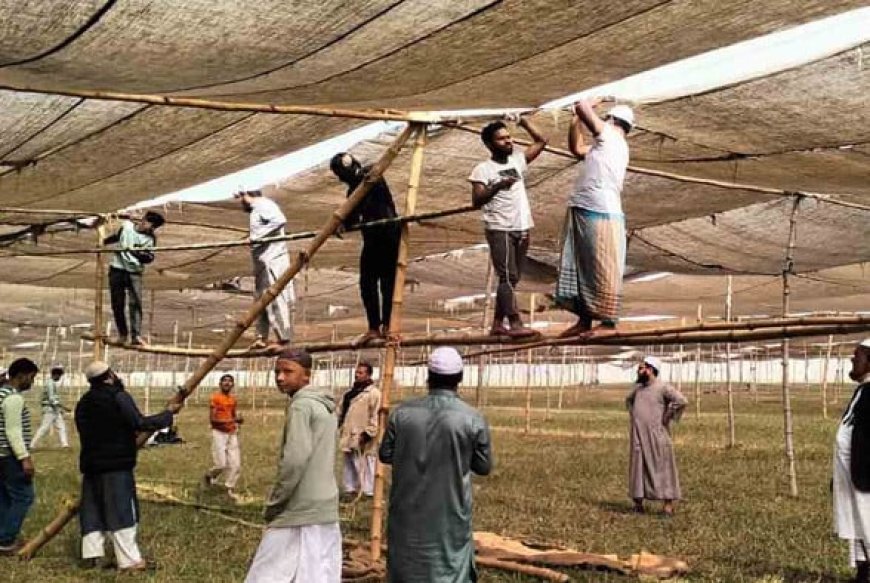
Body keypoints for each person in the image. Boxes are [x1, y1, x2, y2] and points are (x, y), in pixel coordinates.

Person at [380, 346, 492, 581]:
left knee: (406, 559)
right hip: (450, 510)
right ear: (460, 378)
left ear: (428, 377)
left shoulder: (402, 413)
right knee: (449, 562)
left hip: (406, 508)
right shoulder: (472, 417)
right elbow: (483, 467)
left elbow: (386, 454)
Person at [75, 361, 182, 571]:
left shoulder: (84, 402)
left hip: (91, 464)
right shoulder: (118, 396)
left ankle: (92, 556)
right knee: (122, 511)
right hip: (116, 464)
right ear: (109, 376)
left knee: (94, 510)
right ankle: (130, 561)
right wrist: (168, 414)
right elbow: (139, 422)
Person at [245, 348, 340, 583]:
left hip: (299, 506)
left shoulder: (301, 406)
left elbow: (295, 460)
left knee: (268, 572)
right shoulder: (325, 405)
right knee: (318, 571)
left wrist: (276, 501)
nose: (280, 377)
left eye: (288, 371)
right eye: (277, 371)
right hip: (325, 502)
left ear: (306, 375)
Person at [555, 98, 633, 338]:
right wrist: (574, 121)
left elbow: (581, 104)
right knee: (583, 265)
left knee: (601, 265)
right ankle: (584, 318)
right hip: (585, 207)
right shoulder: (605, 145)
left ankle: (608, 321)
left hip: (601, 211)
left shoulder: (610, 136)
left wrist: (593, 101)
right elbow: (576, 149)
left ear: (611, 120)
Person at [469, 115, 548, 338]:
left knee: (512, 279)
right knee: (506, 276)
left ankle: (496, 323)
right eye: (501, 139)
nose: (508, 142)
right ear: (489, 144)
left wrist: (523, 121)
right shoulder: (482, 169)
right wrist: (498, 186)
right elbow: (477, 201)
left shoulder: (517, 161)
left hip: (522, 226)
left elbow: (542, 141)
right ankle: (514, 322)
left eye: (509, 137)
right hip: (500, 227)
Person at [330, 152, 401, 344]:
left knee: (388, 283)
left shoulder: (370, 175)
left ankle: (387, 325)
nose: (340, 178)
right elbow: (351, 218)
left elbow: (373, 174)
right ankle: (373, 327)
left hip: (389, 234)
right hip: (371, 239)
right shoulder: (352, 191)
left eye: (340, 173)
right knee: (367, 284)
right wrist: (342, 223)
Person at [625, 356, 687, 516]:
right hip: (639, 436)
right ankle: (638, 504)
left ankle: (668, 506)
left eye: (641, 368)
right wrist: (636, 419)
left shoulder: (663, 388)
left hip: (656, 436)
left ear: (650, 369)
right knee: (638, 469)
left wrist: (667, 416)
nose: (638, 371)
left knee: (663, 468)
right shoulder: (637, 390)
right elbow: (629, 401)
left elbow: (681, 400)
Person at [235, 190, 295, 349]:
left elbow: (279, 220)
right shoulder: (256, 210)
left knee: (275, 298)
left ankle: (284, 338)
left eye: (240, 198)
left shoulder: (264, 204)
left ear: (245, 195)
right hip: (263, 262)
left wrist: (256, 237)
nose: (240, 202)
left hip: (273, 260)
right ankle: (261, 337)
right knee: (261, 301)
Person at [833, 339, 870, 582]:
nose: (852, 359)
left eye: (857, 356)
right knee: (859, 526)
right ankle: (863, 573)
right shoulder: (863, 391)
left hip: (866, 476)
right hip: (853, 474)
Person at [103, 211, 165, 346]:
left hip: (134, 272)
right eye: (150, 224)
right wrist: (103, 241)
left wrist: (133, 251)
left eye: (153, 227)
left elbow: (149, 258)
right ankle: (122, 334)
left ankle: (135, 336)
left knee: (135, 303)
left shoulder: (150, 239)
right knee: (117, 303)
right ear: (144, 221)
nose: (150, 228)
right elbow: (116, 237)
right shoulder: (127, 227)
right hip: (117, 269)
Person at [0, 358, 39, 554]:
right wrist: (24, 458)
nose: (31, 383)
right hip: (9, 456)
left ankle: (2, 534)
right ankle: (6, 540)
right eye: (31, 378)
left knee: (5, 497)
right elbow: (13, 432)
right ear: (21, 375)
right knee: (24, 497)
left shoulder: (0, 394)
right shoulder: (13, 398)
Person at [336, 361, 380, 498]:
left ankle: (367, 491)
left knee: (365, 461)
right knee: (349, 460)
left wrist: (368, 433)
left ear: (368, 375)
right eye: (356, 372)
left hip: (362, 433)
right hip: (349, 432)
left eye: (361, 372)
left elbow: (376, 414)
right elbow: (340, 411)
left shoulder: (374, 393)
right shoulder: (349, 394)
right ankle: (350, 488)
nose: (357, 375)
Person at [203, 374, 243, 499]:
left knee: (235, 464)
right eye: (224, 381)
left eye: (230, 381)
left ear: (233, 384)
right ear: (220, 384)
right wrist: (230, 420)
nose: (227, 383)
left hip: (231, 433)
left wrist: (238, 421)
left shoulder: (232, 400)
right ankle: (209, 476)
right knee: (221, 464)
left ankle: (228, 488)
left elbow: (234, 415)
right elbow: (213, 419)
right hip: (219, 433)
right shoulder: (216, 398)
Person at [31, 365, 70, 449]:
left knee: (61, 426)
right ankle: (32, 444)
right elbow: (52, 398)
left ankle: (65, 444)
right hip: (50, 409)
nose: (59, 378)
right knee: (44, 428)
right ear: (55, 375)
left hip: (55, 409)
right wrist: (63, 407)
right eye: (59, 376)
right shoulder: (50, 384)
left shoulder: (51, 383)